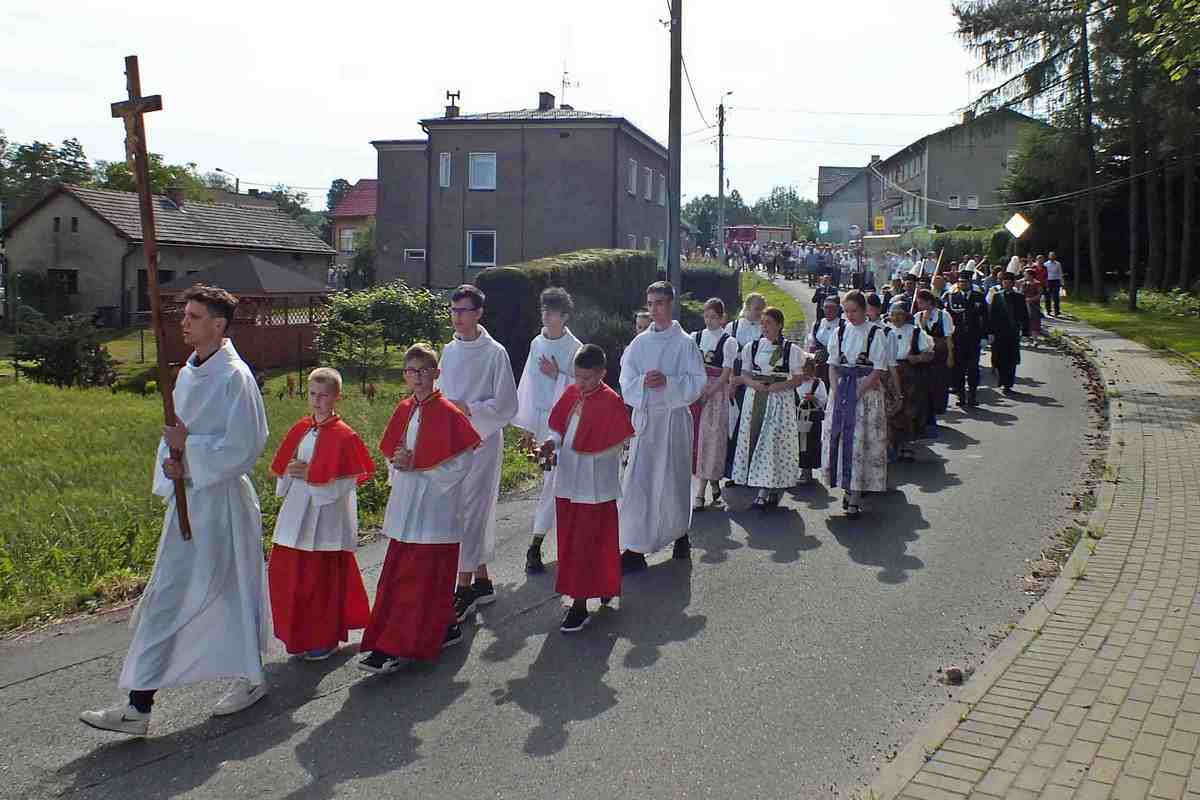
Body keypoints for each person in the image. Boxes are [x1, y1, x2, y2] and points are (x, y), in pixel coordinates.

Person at [80, 285, 271, 736]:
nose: (184, 323)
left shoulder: (235, 377)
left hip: (221, 503)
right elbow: (175, 436)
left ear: (218, 325)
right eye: (184, 315)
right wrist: (173, 463)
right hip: (189, 499)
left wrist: (191, 455)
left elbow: (246, 445)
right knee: (168, 594)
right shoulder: (187, 372)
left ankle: (250, 677)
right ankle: (139, 705)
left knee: (233, 589)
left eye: (194, 316)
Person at [358, 344, 481, 674]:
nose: (418, 377)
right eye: (412, 371)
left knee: (421, 578)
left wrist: (422, 467)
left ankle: (395, 646)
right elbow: (392, 453)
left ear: (436, 373)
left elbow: (463, 462)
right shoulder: (404, 409)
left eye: (424, 370)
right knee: (402, 574)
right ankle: (446, 626)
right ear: (405, 375)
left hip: (434, 507)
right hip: (406, 504)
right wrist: (398, 462)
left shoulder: (450, 413)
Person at [267, 367, 374, 661]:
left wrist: (312, 474)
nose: (316, 400)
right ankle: (300, 634)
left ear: (337, 397)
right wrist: (291, 471)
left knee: (320, 580)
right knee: (292, 576)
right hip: (297, 510)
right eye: (312, 394)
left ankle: (324, 638)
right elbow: (286, 466)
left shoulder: (345, 436)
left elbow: (347, 480)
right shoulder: (302, 428)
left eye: (323, 395)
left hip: (326, 515)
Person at [436, 285, 519, 621]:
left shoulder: (495, 353)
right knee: (459, 511)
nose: (457, 317)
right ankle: (482, 581)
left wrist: (469, 410)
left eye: (464, 311)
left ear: (479, 313)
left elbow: (507, 405)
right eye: (453, 310)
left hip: (482, 441)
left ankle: (463, 588)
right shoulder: (448, 351)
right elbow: (440, 395)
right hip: (451, 443)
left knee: (472, 511)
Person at [539, 345, 635, 633]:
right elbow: (560, 429)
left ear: (602, 373)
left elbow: (615, 443)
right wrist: (551, 442)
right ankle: (591, 589)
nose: (580, 384)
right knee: (571, 542)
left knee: (592, 542)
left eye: (587, 378)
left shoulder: (611, 401)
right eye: (577, 377)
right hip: (569, 480)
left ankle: (581, 605)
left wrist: (589, 443)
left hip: (595, 486)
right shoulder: (572, 393)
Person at [618, 281, 707, 570]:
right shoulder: (639, 343)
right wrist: (642, 382)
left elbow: (698, 382)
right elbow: (625, 379)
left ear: (670, 304)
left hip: (673, 420)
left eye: (659, 303)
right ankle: (635, 548)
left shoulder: (685, 343)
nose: (654, 309)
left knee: (674, 481)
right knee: (639, 483)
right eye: (650, 303)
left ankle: (680, 533)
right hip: (646, 422)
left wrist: (669, 383)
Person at [513, 287, 582, 573]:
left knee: (559, 481)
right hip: (543, 423)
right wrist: (527, 427)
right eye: (544, 309)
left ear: (564, 316)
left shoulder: (575, 348)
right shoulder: (536, 343)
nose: (546, 315)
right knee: (551, 481)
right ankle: (548, 543)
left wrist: (558, 376)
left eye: (552, 311)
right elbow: (528, 384)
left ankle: (537, 544)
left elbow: (582, 388)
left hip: (567, 425)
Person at [729, 307, 806, 509]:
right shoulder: (752, 347)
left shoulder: (790, 350)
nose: (764, 327)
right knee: (757, 440)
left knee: (773, 443)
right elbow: (745, 373)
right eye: (762, 323)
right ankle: (764, 488)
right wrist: (754, 384)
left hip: (779, 402)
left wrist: (777, 387)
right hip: (755, 398)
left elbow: (798, 379)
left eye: (768, 323)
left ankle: (769, 489)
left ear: (779, 325)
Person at [822, 290, 891, 518]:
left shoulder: (875, 333)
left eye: (854, 311)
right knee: (841, 439)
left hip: (865, 393)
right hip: (843, 390)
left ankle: (856, 493)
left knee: (860, 442)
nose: (850, 315)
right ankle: (846, 485)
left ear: (864, 310)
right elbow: (832, 365)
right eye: (847, 311)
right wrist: (835, 391)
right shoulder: (840, 332)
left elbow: (878, 369)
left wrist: (858, 392)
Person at [691, 298, 738, 509]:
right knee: (697, 440)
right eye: (707, 316)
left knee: (711, 440)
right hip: (697, 391)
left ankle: (701, 493)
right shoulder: (696, 337)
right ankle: (712, 482)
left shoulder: (728, 342)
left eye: (713, 317)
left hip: (716, 394)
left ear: (722, 318)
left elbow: (726, 374)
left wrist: (709, 392)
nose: (709, 321)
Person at [723, 293, 766, 482]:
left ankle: (752, 469)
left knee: (750, 425)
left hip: (753, 380)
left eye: (762, 310)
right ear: (747, 307)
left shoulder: (764, 329)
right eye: (756, 309)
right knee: (732, 424)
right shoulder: (732, 327)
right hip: (732, 378)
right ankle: (732, 470)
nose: (759, 313)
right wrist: (732, 380)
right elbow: (726, 358)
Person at [887, 301, 935, 462]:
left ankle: (906, 445)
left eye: (900, 314)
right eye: (893, 314)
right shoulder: (884, 330)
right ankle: (892, 444)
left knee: (909, 411)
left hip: (910, 376)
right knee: (891, 409)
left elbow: (929, 354)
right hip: (889, 374)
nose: (896, 318)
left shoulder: (916, 332)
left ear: (907, 315)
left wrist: (917, 358)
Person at [945, 269, 989, 407]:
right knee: (958, 368)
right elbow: (948, 319)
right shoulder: (952, 297)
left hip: (973, 338)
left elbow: (985, 318)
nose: (962, 284)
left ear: (970, 282)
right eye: (960, 282)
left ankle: (972, 396)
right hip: (957, 338)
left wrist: (985, 336)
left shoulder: (978, 297)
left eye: (964, 282)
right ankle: (961, 396)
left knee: (973, 368)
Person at [914, 288, 955, 429]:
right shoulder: (918, 316)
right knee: (924, 387)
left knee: (939, 385)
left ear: (929, 302)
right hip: (925, 356)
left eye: (921, 302)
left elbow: (948, 338)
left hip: (940, 355)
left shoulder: (944, 315)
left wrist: (950, 356)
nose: (919, 305)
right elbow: (917, 335)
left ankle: (935, 413)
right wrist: (923, 322)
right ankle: (926, 417)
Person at [987, 271, 1030, 393]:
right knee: (999, 358)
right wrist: (990, 332)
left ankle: (1008, 384)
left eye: (1009, 282)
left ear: (1013, 283)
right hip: (999, 333)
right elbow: (992, 315)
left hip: (1013, 333)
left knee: (1011, 359)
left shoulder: (1019, 297)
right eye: (1004, 282)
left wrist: (1025, 332)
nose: (1006, 285)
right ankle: (1002, 379)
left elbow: (1024, 315)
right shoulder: (997, 296)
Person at [794, 357, 828, 484]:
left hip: (813, 418)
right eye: (803, 371)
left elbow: (823, 400)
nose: (805, 374)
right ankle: (799, 470)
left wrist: (813, 398)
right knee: (799, 444)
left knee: (810, 445)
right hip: (798, 415)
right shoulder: (796, 383)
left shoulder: (818, 383)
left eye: (808, 371)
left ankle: (807, 472)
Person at [1020, 267, 1044, 340]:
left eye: (1026, 274)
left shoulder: (1037, 284)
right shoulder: (1024, 283)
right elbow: (1021, 293)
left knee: (1034, 321)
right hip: (1024, 305)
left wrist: (1031, 299)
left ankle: (1035, 338)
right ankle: (1026, 335)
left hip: (1034, 305)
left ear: (1031, 275)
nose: (1024, 276)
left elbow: (1039, 295)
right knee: (1024, 320)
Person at [1043, 251, 1064, 316]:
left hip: (1056, 281)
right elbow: (1044, 274)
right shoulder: (1045, 264)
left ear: (1055, 256)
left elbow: (1060, 273)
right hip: (1048, 281)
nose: (1052, 257)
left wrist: (1062, 282)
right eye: (1051, 255)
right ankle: (1048, 310)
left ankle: (1056, 311)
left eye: (1053, 255)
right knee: (1047, 297)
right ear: (1049, 256)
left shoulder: (1058, 264)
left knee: (1056, 297)